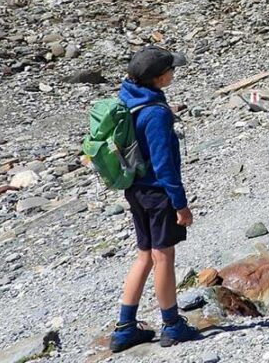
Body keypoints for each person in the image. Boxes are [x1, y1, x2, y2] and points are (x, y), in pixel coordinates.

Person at [109, 46, 200, 352]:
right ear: (160, 79)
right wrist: (180, 204)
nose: (174, 73)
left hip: (135, 190)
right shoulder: (156, 114)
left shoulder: (127, 99)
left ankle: (124, 329)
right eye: (171, 70)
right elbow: (164, 166)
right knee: (163, 257)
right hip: (158, 194)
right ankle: (172, 325)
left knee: (144, 255)